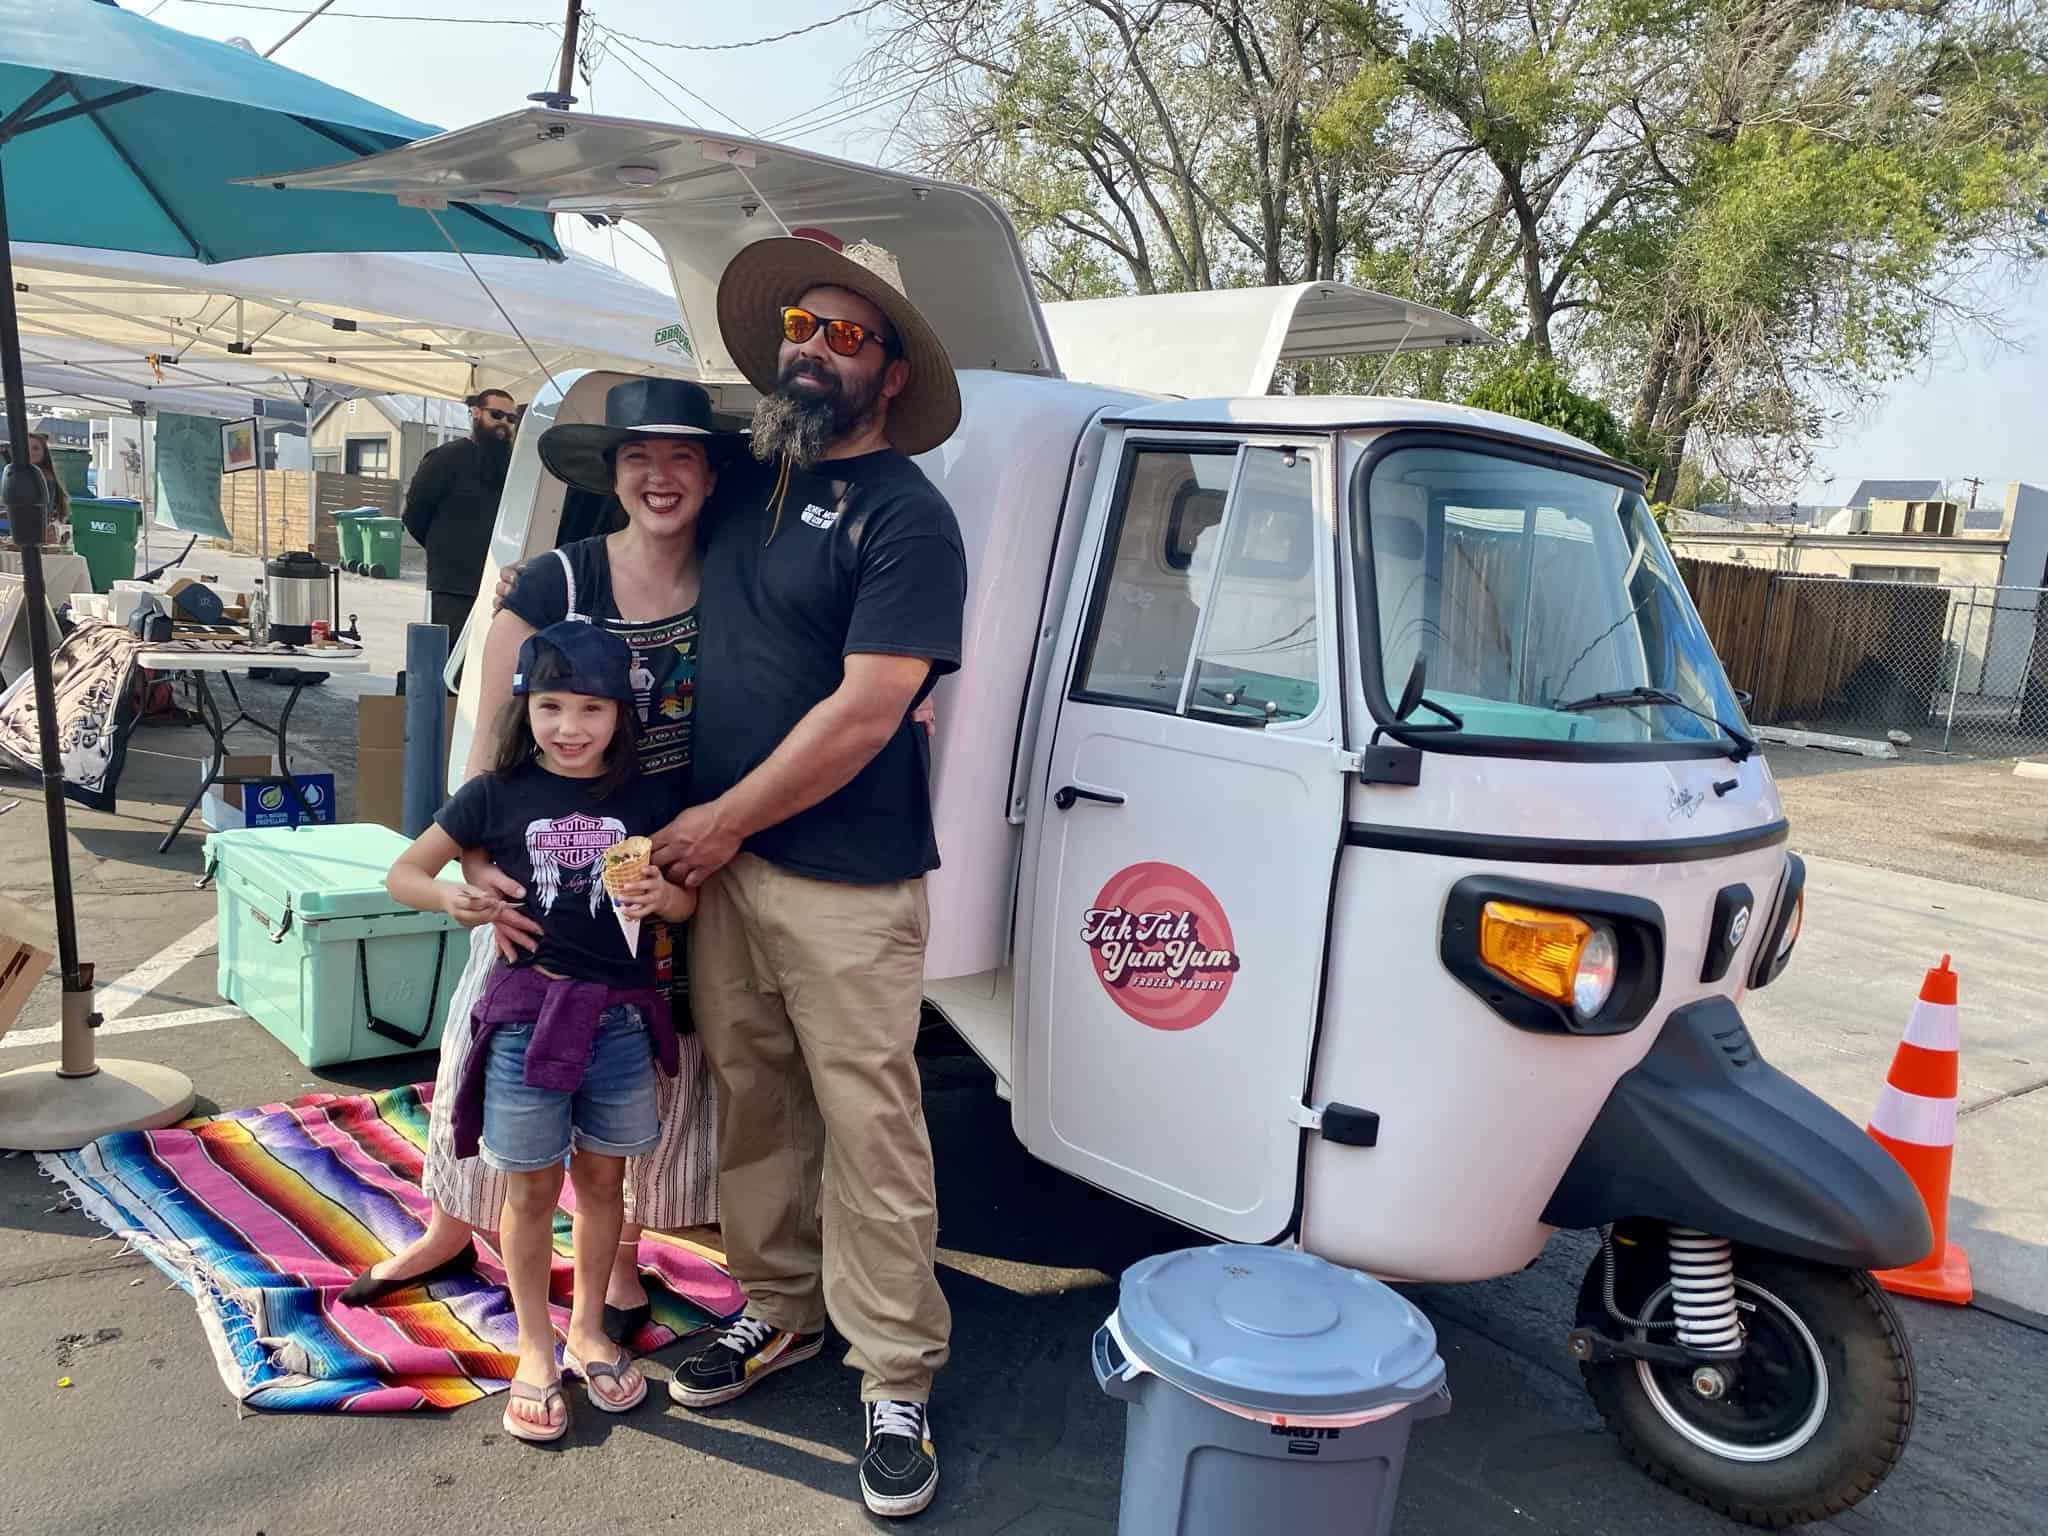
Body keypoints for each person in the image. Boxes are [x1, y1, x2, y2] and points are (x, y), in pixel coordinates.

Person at [655, 231, 967, 1520]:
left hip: (844, 878)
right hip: (726, 868)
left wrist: (719, 821)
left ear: (890, 374)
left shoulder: (907, 514)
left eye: (848, 335)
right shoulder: (746, 480)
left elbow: (867, 711)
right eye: (802, 321)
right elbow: (631, 506)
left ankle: (893, 1371)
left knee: (869, 1126)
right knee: (754, 1101)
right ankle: (778, 1311)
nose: (813, 347)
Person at [341, 378, 732, 1349]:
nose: (659, 477)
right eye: (639, 458)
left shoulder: (728, 583)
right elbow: (494, 733)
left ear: (708, 473)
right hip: (531, 858)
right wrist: (479, 867)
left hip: (656, 852)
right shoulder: (556, 581)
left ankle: (622, 1257)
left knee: (644, 1056)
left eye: (681, 456)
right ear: (614, 472)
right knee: (489, 1038)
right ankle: (449, 1226)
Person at [386, 621, 693, 1442]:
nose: (570, 726)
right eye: (551, 704)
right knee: (527, 1190)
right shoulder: (494, 794)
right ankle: (533, 1345)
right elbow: (407, 871)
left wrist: (666, 900)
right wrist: (454, 895)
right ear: (525, 707)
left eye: (591, 707)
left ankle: (588, 1326)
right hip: (527, 1017)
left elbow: (687, 901)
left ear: (621, 714)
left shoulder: (649, 800)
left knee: (604, 1187)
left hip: (621, 1022)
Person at [403, 389, 517, 633]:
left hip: (498, 582)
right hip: (454, 585)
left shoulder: (513, 466)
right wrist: (448, 549)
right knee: (452, 659)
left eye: (511, 419)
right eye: (496, 415)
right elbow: (415, 515)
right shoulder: (445, 458)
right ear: (476, 413)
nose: (504, 424)